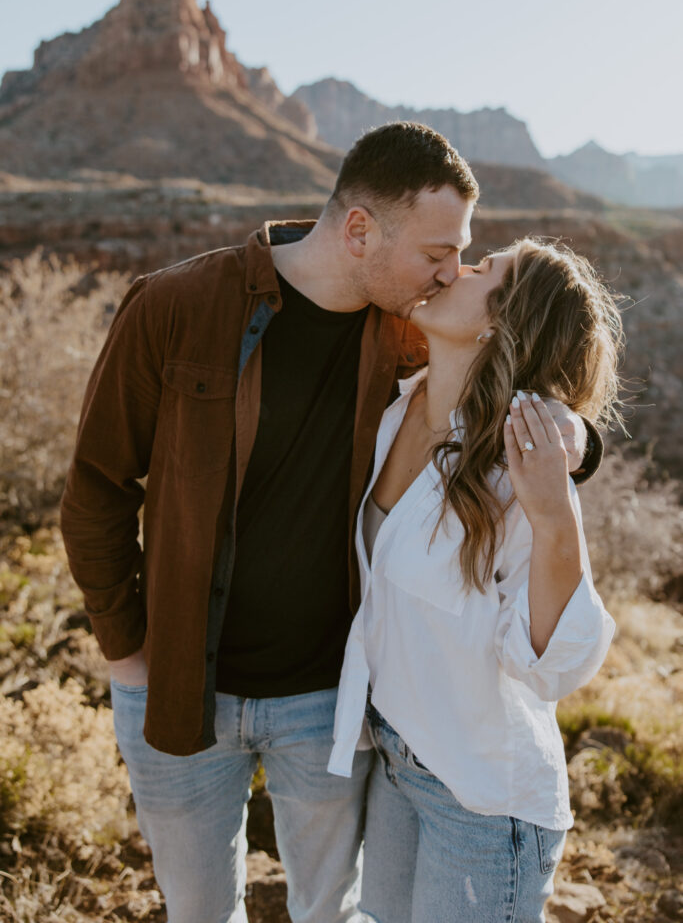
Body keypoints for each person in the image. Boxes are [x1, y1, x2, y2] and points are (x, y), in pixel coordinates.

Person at [60, 124, 599, 923]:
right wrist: (129, 654)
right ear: (358, 231)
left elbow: (523, 367)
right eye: (436, 252)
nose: (449, 272)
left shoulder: (407, 329)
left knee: (330, 909)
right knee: (198, 912)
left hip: (327, 701)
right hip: (176, 686)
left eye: (463, 256)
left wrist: (573, 441)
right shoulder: (177, 306)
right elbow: (96, 490)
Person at [328, 237, 622, 922]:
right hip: (397, 758)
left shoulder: (518, 471)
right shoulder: (398, 408)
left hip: (483, 798)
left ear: (497, 324)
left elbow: (552, 668)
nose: (458, 268)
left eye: (483, 270)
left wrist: (554, 523)